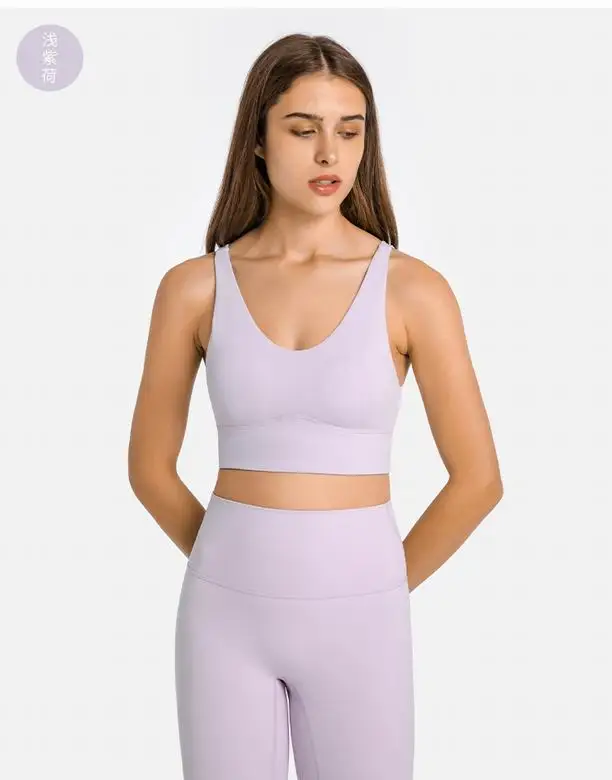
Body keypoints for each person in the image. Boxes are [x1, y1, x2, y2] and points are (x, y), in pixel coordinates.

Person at [128, 32, 503, 780]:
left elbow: (479, 481)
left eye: (349, 131)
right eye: (303, 130)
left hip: (362, 614)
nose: (330, 152)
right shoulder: (193, 288)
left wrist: (374, 587)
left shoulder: (413, 290)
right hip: (223, 616)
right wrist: (233, 568)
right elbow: (148, 469)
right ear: (258, 140)